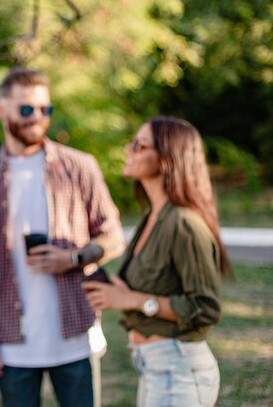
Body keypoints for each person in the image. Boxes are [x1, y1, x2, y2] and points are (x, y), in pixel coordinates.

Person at [0, 67, 125, 407]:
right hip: (13, 343)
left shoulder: (79, 166)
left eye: (44, 109)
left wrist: (74, 258)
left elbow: (113, 235)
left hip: (75, 337)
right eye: (26, 109)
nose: (36, 117)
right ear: (2, 110)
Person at [83, 116, 234, 407]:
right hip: (153, 367)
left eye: (139, 145)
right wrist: (114, 289)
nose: (129, 150)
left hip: (179, 370)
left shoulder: (184, 223)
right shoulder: (152, 217)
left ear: (166, 158)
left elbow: (206, 308)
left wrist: (132, 299)